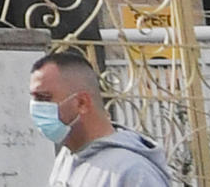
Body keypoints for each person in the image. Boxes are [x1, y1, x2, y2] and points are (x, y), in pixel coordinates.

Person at [32, 45, 172, 185]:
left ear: (82, 103)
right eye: (34, 98)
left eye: (43, 98)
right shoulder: (66, 159)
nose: (35, 107)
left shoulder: (133, 171)